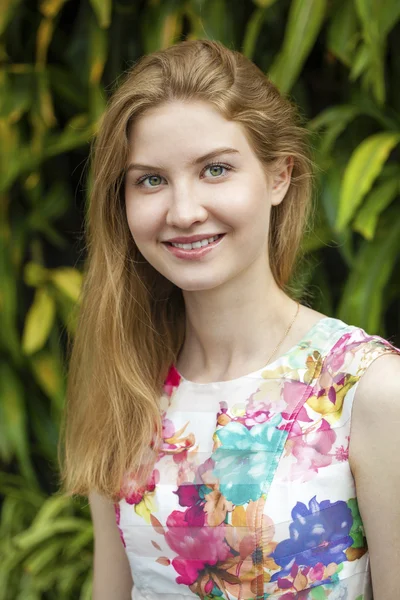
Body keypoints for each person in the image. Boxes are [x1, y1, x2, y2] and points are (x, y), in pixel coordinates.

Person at [60, 39, 400, 600]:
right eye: (150, 179)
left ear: (278, 177)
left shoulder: (369, 390)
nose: (184, 211)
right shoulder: (126, 382)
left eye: (215, 169)